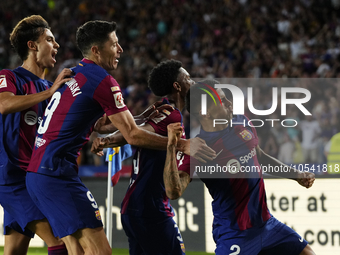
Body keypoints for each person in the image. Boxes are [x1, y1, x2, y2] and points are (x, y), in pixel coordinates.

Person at [26, 21, 215, 255]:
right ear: (96, 50)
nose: (120, 50)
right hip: (57, 173)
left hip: (37, 173)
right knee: (100, 252)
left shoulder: (76, 74)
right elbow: (133, 136)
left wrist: (123, 127)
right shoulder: (102, 80)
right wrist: (182, 145)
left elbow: (101, 124)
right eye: (114, 44)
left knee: (73, 249)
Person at [163, 80, 316, 255]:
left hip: (267, 225)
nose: (229, 103)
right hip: (235, 235)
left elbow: (259, 156)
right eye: (222, 100)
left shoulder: (241, 121)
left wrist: (296, 175)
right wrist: (170, 147)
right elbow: (173, 192)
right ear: (205, 113)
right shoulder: (198, 148)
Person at [0, 15, 73, 255]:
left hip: (34, 178)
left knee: (13, 252)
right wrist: (51, 92)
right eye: (50, 40)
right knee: (60, 242)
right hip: (11, 177)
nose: (57, 45)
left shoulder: (50, 88)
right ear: (32, 46)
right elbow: (4, 104)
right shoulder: (10, 77)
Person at [118, 59, 192, 254]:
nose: (192, 83)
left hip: (134, 207)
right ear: (177, 86)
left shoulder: (159, 108)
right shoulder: (171, 114)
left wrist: (110, 138)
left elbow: (132, 127)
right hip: (150, 208)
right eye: (188, 78)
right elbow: (135, 133)